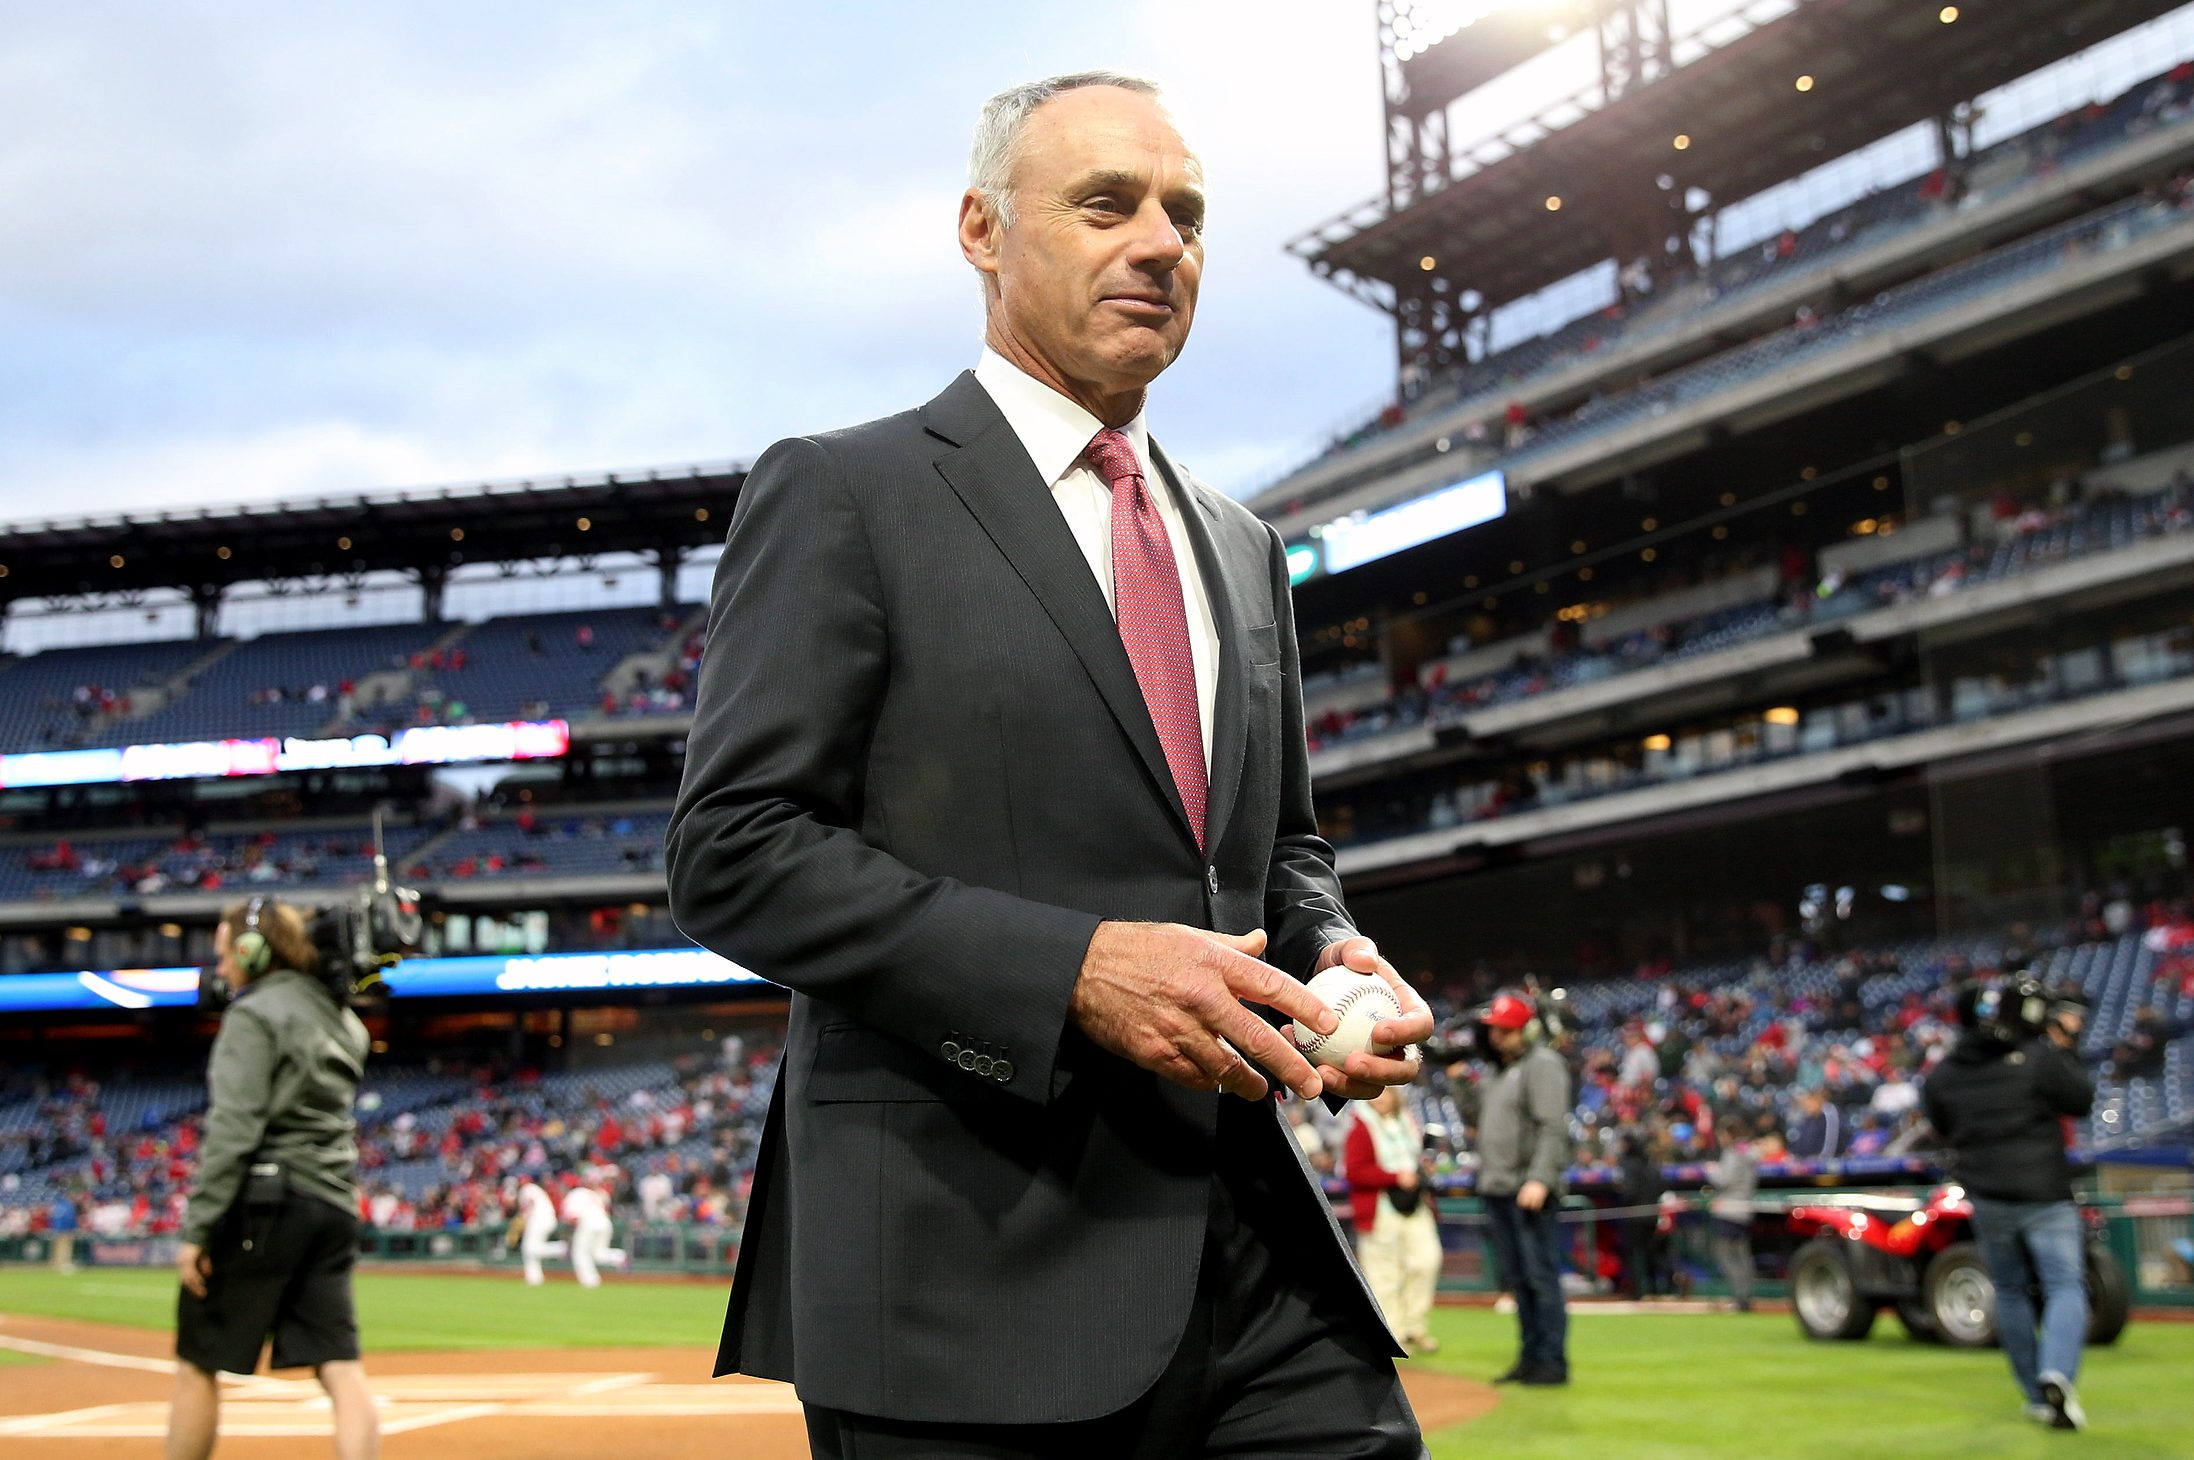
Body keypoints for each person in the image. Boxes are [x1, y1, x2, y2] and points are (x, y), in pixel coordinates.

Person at [665, 69, 1435, 1457]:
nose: (1159, 242)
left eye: (1186, 216)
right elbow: (733, 849)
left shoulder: (1241, 543)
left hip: (1256, 1257)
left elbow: (1283, 852)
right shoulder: (846, 492)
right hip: (967, 1270)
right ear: (979, 229)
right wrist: (1070, 970)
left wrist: (1330, 955)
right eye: (1104, 203)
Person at [167, 898, 378, 1460]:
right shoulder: (344, 1018)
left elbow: (234, 1129)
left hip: (267, 1202)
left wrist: (198, 1227)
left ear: (252, 951)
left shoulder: (254, 1014)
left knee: (197, 1364)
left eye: (224, 956)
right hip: (332, 1203)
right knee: (340, 1367)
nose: (221, 969)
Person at [1922, 978, 2095, 1431]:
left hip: (1989, 1195)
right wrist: (2065, 1047)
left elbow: (1940, 1121)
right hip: (2045, 1194)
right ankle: (2056, 1371)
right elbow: (2080, 1099)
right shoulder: (2037, 1058)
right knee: (2064, 1286)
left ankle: (2036, 1395)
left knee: (2012, 1291)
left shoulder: (1945, 1072)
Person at [1474, 992, 1571, 1385]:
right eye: (1495, 1029)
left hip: (1526, 1188)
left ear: (1523, 1030)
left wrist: (1540, 1178)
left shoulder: (1542, 1063)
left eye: (1506, 1030)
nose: (1498, 1037)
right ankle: (1530, 1357)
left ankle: (1551, 1362)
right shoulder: (1501, 1070)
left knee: (1539, 1278)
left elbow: (1553, 1127)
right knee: (1519, 1280)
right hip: (1500, 1187)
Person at [1344, 1082, 1443, 1355]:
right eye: (1376, 1092)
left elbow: (1415, 1162)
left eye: (1386, 1091)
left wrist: (1422, 1170)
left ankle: (1415, 1328)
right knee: (1383, 1275)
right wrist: (1394, 1177)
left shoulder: (1407, 1123)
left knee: (1426, 1261)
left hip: (1414, 1205)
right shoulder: (1360, 1125)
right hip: (1380, 1208)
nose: (1381, 1098)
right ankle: (1392, 1334)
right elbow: (1354, 1172)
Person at [1706, 1118, 1759, 1312]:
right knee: (1743, 1255)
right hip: (1745, 1209)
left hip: (1729, 1210)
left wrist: (1711, 1171)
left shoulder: (1732, 1152)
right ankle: (1746, 1296)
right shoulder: (1749, 1151)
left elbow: (1724, 1179)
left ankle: (1740, 1298)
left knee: (1727, 1255)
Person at [1616, 1131, 1669, 1299]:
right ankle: (1655, 1288)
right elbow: (1661, 1186)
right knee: (1651, 1253)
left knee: (1634, 1254)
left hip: (1635, 1214)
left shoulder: (1629, 1163)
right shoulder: (1650, 1163)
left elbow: (1629, 1190)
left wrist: (1620, 1191)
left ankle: (1637, 1290)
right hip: (1652, 1213)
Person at [560, 1179, 627, 1288]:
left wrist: (569, 1235)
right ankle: (619, 1257)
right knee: (598, 1254)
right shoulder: (590, 1193)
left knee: (579, 1253)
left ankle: (589, 1281)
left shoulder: (574, 1194)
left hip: (588, 1223)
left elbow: (573, 1218)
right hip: (604, 1223)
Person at [510, 1179, 565, 1286]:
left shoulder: (527, 1189)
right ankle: (534, 1278)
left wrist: (519, 1223)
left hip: (538, 1220)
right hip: (547, 1219)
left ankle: (561, 1248)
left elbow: (528, 1206)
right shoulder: (536, 1189)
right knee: (530, 1249)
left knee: (530, 1249)